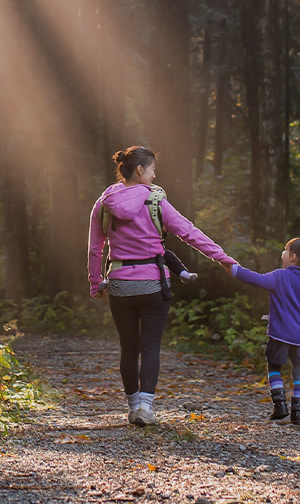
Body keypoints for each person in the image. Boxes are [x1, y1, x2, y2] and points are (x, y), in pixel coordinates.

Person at [88, 145, 237, 427]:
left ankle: (133, 408)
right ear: (140, 170)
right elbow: (189, 233)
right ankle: (146, 407)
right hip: (154, 284)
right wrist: (223, 259)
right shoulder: (156, 201)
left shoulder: (103, 202)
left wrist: (96, 282)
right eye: (153, 170)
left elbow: (96, 249)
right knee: (151, 347)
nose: (155, 176)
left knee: (128, 348)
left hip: (120, 284)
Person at [228, 237, 300, 426]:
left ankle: (280, 405)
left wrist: (234, 269)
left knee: (274, 367)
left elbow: (255, 278)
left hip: (280, 334)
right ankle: (298, 414)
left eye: (285, 250)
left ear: (293, 257)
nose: (282, 253)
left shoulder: (279, 277)